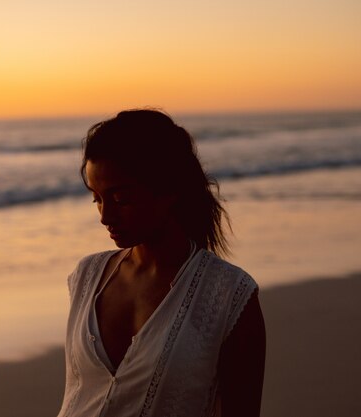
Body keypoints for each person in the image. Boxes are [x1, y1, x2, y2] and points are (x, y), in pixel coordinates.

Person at [58, 109, 266, 417]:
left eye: (120, 199)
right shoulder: (86, 277)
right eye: (97, 198)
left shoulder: (228, 296)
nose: (104, 216)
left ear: (168, 189)